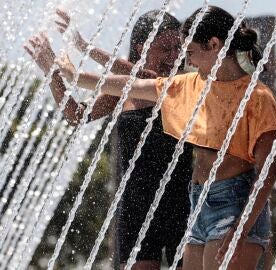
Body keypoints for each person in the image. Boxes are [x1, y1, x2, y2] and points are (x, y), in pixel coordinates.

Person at [54, 5, 276, 270]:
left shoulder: (257, 97)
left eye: (191, 52)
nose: (187, 61)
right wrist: (74, 76)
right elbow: (132, 84)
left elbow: (268, 172)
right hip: (198, 203)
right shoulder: (191, 86)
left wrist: (241, 228)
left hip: (234, 202)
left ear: (214, 44)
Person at [25, 9, 193, 270]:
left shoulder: (184, 84)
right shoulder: (121, 89)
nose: (175, 56)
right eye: (166, 49)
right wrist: (52, 71)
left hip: (182, 203)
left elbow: (145, 78)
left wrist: (83, 46)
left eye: (178, 48)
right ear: (142, 46)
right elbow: (76, 115)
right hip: (136, 205)